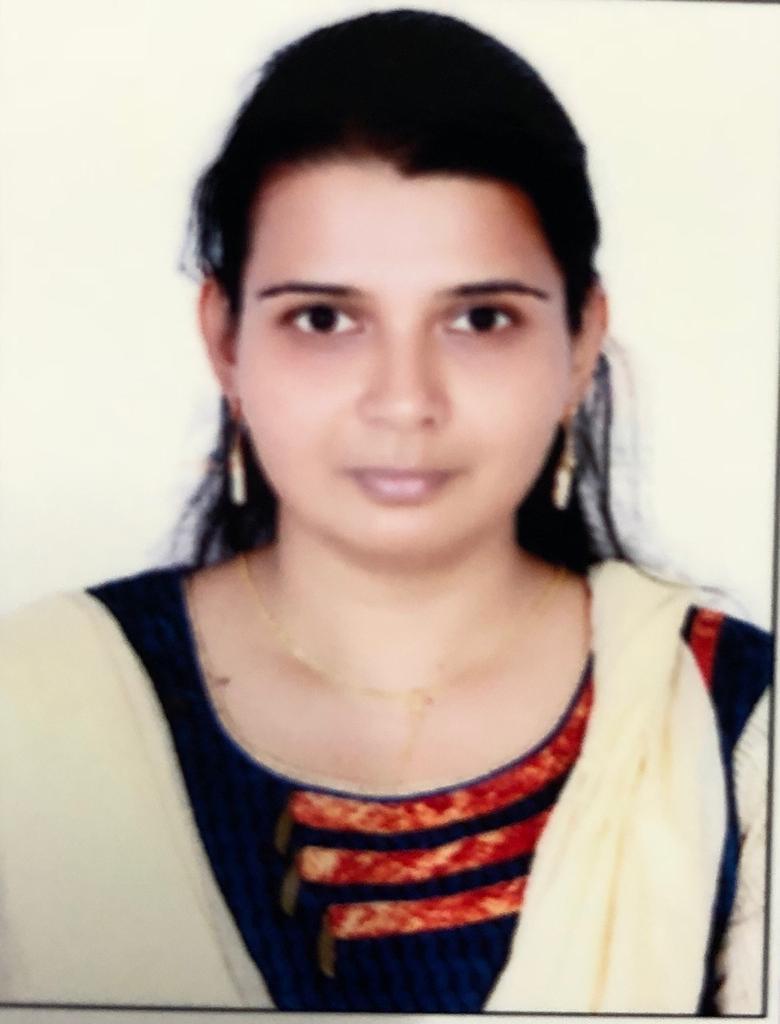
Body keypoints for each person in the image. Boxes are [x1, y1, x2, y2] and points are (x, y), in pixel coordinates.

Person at [0, 8, 771, 1015]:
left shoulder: (736, 731)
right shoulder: (31, 713)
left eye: (479, 318)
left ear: (583, 338)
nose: (404, 401)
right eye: (324, 318)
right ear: (224, 339)